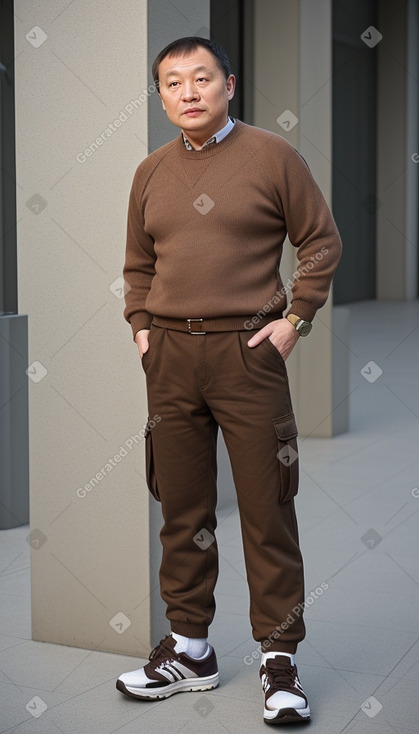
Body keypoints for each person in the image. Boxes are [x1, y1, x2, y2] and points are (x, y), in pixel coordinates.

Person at [117, 36, 342, 726]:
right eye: (172, 82)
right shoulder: (150, 171)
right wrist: (140, 323)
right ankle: (190, 649)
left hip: (247, 357)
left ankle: (280, 659)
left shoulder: (273, 157)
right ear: (160, 97)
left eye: (201, 78)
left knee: (265, 510)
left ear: (228, 85)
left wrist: (293, 321)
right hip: (171, 363)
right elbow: (138, 262)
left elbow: (320, 242)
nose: (187, 92)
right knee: (181, 510)